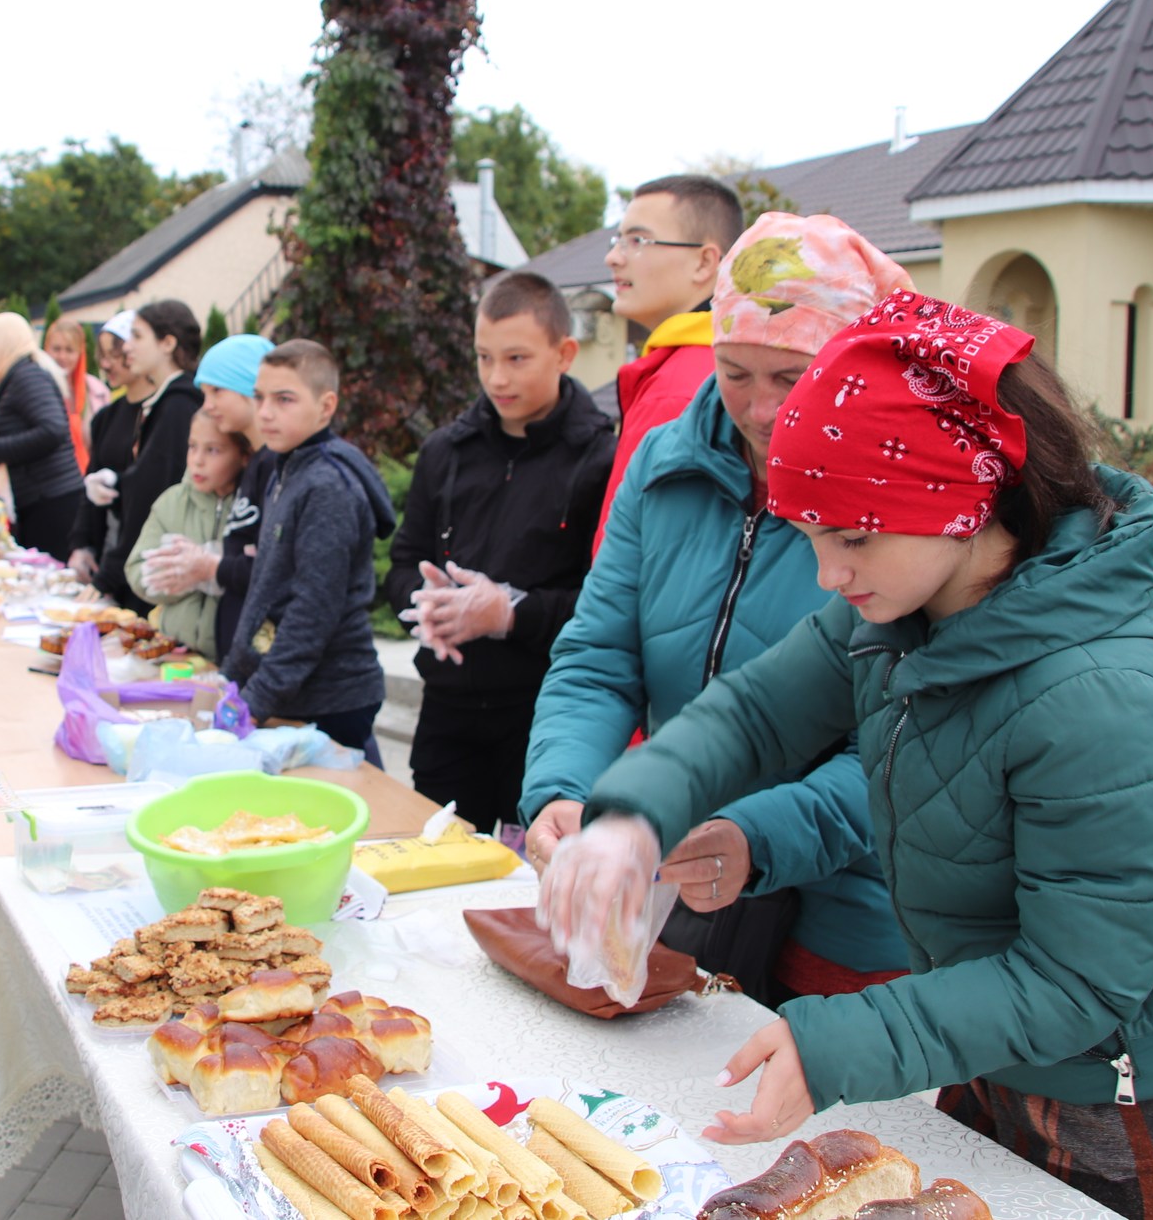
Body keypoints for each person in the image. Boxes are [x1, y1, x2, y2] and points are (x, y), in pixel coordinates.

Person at [541, 290, 1153, 1220]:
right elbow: (753, 715)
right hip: (986, 1047)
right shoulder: (893, 610)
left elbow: (1081, 979)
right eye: (808, 536)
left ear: (963, 505)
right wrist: (633, 814)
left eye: (852, 538)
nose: (828, 575)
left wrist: (841, 1040)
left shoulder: (1103, 697)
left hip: (1129, 1096)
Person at [522, 213, 915, 1006]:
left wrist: (753, 834)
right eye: (736, 371)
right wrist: (566, 788)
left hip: (847, 910)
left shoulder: (900, 497)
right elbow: (599, 656)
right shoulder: (664, 468)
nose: (762, 409)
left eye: (792, 376)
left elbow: (902, 743)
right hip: (678, 873)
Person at [383, 272, 614, 833]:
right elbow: (402, 562)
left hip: (542, 712)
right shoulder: (446, 449)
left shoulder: (601, 457)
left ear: (565, 354)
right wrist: (426, 605)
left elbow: (607, 600)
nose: (496, 378)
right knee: (437, 866)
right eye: (484, 358)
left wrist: (511, 613)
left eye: (516, 359)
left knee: (524, 884)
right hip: (448, 708)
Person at [221, 340, 396, 755]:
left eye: (284, 400)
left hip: (333, 695)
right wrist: (230, 677)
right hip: (297, 691)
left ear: (326, 406)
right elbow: (267, 588)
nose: (265, 412)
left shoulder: (327, 487)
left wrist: (255, 699)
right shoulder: (286, 468)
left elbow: (312, 610)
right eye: (259, 397)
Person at [596, 174, 742, 543]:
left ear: (705, 263)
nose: (613, 257)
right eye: (618, 240)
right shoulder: (725, 362)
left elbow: (627, 555)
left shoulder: (680, 391)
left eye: (637, 241)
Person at [139, 332, 276, 658]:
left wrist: (209, 568)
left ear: (251, 390)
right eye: (204, 393)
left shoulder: (274, 466)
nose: (207, 405)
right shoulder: (257, 463)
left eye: (216, 391)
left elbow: (273, 568)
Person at [91, 300, 204, 613]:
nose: (127, 347)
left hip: (161, 571)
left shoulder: (178, 406)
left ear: (167, 343)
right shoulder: (165, 402)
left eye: (137, 336)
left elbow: (153, 492)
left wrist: (109, 574)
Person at [124, 411, 255, 659]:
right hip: (174, 649)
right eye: (192, 447)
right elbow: (136, 569)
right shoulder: (172, 502)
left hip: (226, 659)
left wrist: (212, 572)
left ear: (244, 456)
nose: (197, 460)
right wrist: (184, 576)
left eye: (213, 450)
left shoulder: (252, 510)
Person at [0, 311, 84, 559]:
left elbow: (53, 429)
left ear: (1, 344)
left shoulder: (27, 376)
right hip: (41, 499)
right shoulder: (12, 377)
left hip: (52, 502)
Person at [68, 309, 149, 603]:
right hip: (109, 554)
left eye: (114, 354)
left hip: (142, 559)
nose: (105, 364)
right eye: (102, 355)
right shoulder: (107, 416)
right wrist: (81, 544)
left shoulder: (162, 414)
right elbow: (90, 483)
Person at [44, 317, 108, 471]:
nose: (62, 357)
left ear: (80, 352)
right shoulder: (36, 388)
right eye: (56, 349)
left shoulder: (96, 390)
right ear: (46, 349)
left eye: (69, 350)